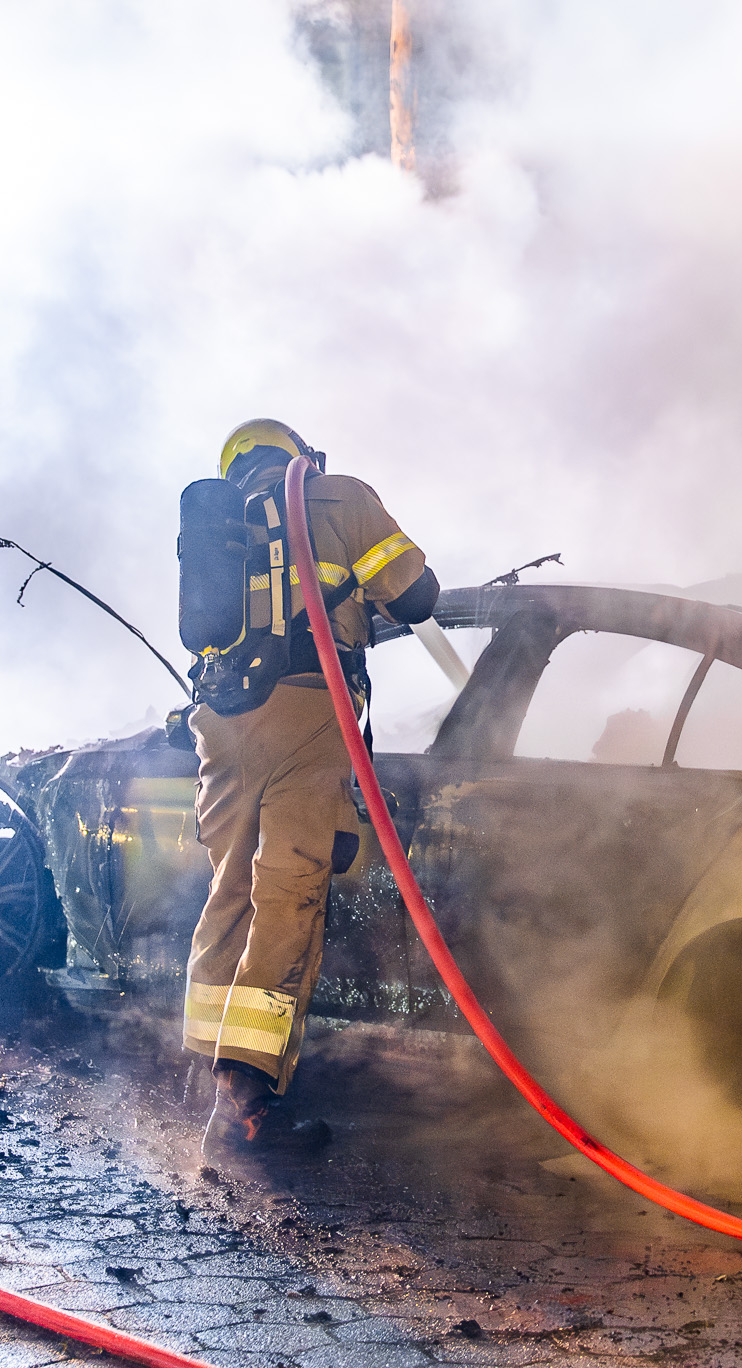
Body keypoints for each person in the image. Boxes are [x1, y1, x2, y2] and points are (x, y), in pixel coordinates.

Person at [184, 418, 438, 1152]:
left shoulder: (222, 527)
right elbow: (417, 597)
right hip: (306, 705)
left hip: (221, 722)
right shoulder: (336, 498)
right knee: (289, 894)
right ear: (301, 457)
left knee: (228, 891)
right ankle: (250, 1105)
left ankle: (213, 1083)